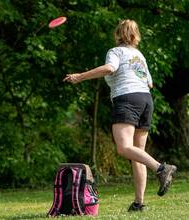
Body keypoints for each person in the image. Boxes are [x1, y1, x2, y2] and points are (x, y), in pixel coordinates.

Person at [63, 19, 177, 212]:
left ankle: (161, 168)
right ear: (135, 36)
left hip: (127, 99)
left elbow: (110, 68)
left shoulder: (115, 52)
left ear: (117, 35)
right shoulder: (139, 55)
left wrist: (80, 76)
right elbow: (149, 83)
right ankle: (139, 203)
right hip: (146, 100)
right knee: (137, 154)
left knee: (124, 148)